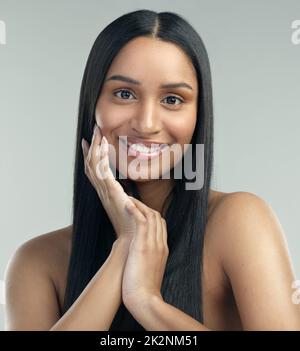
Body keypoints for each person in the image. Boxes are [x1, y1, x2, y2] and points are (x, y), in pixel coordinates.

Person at [4, 9, 300, 331]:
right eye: (124, 94)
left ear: (198, 116)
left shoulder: (239, 222)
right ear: (94, 105)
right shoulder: (36, 263)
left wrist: (146, 301)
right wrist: (126, 245)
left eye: (172, 99)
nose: (146, 123)